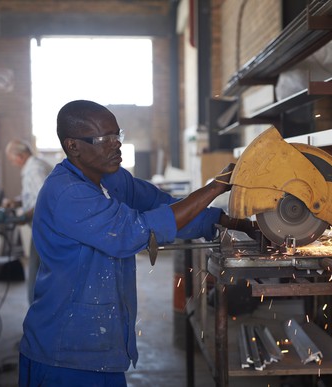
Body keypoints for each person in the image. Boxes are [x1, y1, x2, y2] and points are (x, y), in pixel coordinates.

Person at [18, 100, 256, 386]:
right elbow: (134, 231)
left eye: (117, 135)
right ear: (73, 146)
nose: (115, 145)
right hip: (66, 350)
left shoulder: (113, 180)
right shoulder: (67, 194)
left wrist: (236, 222)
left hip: (103, 347)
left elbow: (165, 207)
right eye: (103, 139)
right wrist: (216, 186)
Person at [4, 139, 53, 304]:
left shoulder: (35, 170)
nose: (12, 163)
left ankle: (36, 315)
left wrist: (25, 216)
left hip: (45, 228)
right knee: (36, 271)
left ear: (21, 155)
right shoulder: (34, 167)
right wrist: (18, 202)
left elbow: (45, 199)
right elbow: (35, 195)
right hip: (42, 227)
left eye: (12, 159)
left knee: (36, 272)